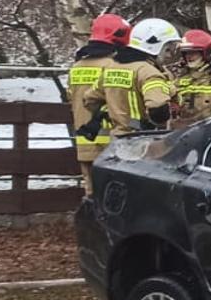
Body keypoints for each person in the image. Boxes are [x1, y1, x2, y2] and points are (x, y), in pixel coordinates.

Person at [75, 16, 177, 179]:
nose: (170, 54)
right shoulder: (148, 72)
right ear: (156, 46)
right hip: (145, 145)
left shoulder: (113, 68)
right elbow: (158, 109)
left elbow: (89, 99)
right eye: (168, 48)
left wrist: (112, 111)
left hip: (117, 142)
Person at [67, 13, 131, 193]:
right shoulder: (113, 66)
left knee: (91, 191)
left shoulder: (76, 67)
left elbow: (71, 98)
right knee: (115, 194)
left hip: (85, 140)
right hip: (112, 140)